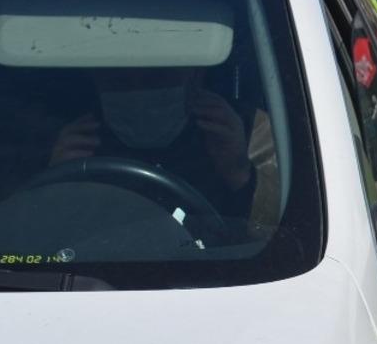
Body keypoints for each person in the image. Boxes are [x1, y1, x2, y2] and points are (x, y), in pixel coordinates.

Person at [50, 67, 279, 231]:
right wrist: (55, 184)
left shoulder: (253, 132)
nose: (137, 90)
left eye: (157, 76)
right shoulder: (64, 138)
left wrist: (239, 172)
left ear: (195, 75)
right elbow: (28, 240)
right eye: (119, 79)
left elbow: (283, 238)